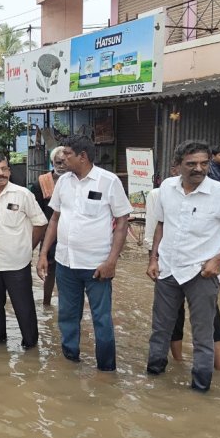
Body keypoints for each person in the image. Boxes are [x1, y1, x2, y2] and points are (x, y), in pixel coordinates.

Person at [146, 140, 220, 392]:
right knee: (160, 330)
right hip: (168, 269)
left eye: (204, 163)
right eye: (191, 164)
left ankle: (200, 388)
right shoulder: (166, 188)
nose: (199, 168)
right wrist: (153, 258)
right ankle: (153, 380)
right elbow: (161, 224)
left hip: (202, 273)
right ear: (177, 166)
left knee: (203, 336)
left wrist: (217, 260)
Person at [36, 134, 132, 371]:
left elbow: (122, 223)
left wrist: (112, 262)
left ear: (83, 156)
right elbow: (55, 219)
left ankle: (107, 370)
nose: (62, 157)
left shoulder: (108, 182)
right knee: (67, 316)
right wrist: (43, 254)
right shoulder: (63, 182)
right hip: (66, 263)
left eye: (67, 153)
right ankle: (70, 362)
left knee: (101, 319)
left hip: (97, 265)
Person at [0, 154, 48, 348]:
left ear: (9, 171)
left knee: (24, 308)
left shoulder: (22, 194)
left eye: (4, 169)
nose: (1, 174)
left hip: (17, 264)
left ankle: (30, 348)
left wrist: (26, 248)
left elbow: (40, 223)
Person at [29, 146, 67, 306]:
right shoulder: (41, 182)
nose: (62, 166)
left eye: (65, 162)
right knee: (49, 269)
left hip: (69, 233)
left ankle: (66, 302)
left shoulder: (75, 181)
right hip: (49, 233)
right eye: (58, 162)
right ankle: (46, 304)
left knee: (67, 272)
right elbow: (35, 211)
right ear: (52, 163)